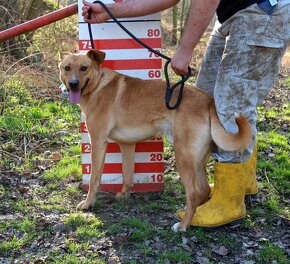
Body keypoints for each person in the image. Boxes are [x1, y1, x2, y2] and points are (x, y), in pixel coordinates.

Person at [82, 0, 290, 229]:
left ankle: (230, 202)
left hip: (262, 13)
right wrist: (111, 11)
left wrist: (184, 49)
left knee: (231, 108)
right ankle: (239, 186)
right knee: (205, 98)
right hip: (232, 16)